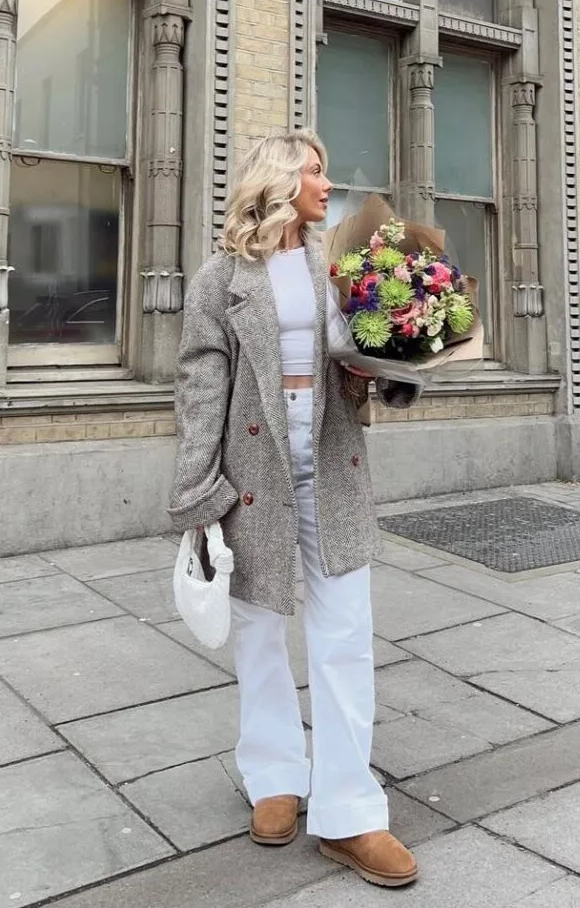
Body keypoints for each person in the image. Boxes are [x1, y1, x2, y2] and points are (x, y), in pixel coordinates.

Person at [168, 130, 419, 888]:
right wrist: (197, 491)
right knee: (259, 633)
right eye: (315, 170)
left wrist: (401, 360)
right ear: (278, 181)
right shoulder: (220, 278)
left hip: (331, 465)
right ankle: (274, 775)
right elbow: (200, 386)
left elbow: (369, 354)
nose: (327, 183)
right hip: (255, 473)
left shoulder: (338, 263)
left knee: (344, 637)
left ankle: (349, 813)